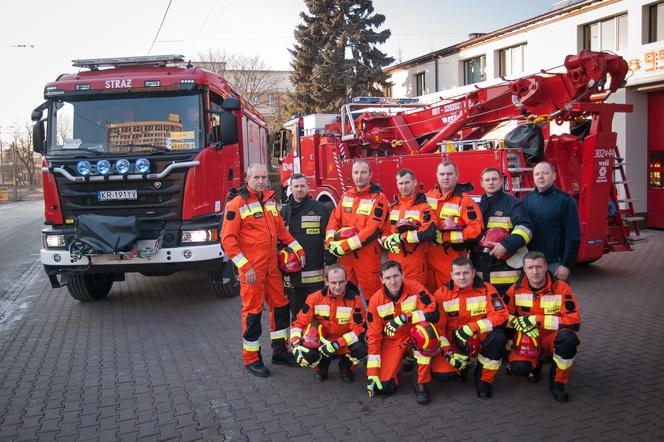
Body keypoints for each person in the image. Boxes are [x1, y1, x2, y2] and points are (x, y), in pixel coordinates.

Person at [221, 163, 306, 377]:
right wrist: (245, 266)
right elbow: (228, 241)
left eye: (264, 177)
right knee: (253, 313)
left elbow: (280, 231)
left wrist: (298, 248)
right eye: (256, 177)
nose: (261, 181)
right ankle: (251, 358)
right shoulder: (237, 203)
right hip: (252, 271)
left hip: (271, 268)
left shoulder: (269, 200)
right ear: (247, 178)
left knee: (280, 307)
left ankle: (280, 351)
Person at [504, 251, 581, 402]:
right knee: (519, 369)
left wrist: (536, 319)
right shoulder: (514, 290)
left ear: (546, 267)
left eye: (539, 267)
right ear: (524, 269)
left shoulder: (562, 288)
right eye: (530, 267)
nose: (535, 271)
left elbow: (574, 321)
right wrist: (517, 323)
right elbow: (502, 317)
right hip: (528, 339)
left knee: (568, 340)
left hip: (552, 338)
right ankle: (534, 365)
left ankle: (558, 383)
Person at [430, 257, 508, 399]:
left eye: (465, 273)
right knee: (443, 375)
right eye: (458, 274)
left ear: (473, 273)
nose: (462, 277)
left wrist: (472, 327)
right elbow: (438, 328)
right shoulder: (441, 294)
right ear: (451, 275)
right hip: (454, 341)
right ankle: (462, 368)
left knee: (498, 338)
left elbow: (501, 314)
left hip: (481, 337)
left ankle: (483, 380)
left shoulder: (487, 289)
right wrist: (447, 352)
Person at [366, 261, 439, 405]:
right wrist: (372, 372)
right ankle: (395, 368)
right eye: (388, 278)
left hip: (415, 335)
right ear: (381, 279)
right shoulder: (375, 301)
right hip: (392, 341)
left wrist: (404, 317)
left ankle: (421, 383)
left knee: (427, 332)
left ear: (402, 275)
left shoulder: (415, 287)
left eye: (396, 276)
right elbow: (374, 336)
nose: (393, 281)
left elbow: (434, 313)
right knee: (384, 388)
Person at [290, 264, 367, 382]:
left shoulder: (354, 300)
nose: (337, 287)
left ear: (346, 281)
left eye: (341, 282)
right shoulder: (314, 298)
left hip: (343, 344)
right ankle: (320, 368)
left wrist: (337, 344)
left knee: (361, 348)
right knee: (306, 353)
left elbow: (358, 330)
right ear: (326, 281)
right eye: (333, 283)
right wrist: (295, 345)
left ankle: (345, 367)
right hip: (321, 345)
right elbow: (299, 324)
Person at [325, 160, 389, 300]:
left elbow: (372, 230)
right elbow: (334, 220)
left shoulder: (378, 199)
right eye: (356, 172)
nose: (359, 176)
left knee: (374, 300)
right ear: (352, 175)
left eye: (363, 172)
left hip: (367, 258)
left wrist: (344, 246)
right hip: (346, 260)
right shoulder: (346, 195)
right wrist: (330, 242)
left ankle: (375, 323)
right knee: (345, 299)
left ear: (370, 174)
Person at [474, 167, 534, 298]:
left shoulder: (513, 204)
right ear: (482, 183)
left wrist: (506, 246)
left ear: (501, 182)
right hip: (482, 273)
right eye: (487, 180)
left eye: (494, 179)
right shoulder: (477, 207)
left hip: (506, 276)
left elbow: (526, 229)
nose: (491, 182)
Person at [280, 173, 333, 319]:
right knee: (297, 318)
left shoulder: (320, 209)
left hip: (314, 277)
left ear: (308, 188)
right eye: (296, 186)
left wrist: (329, 263)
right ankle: (298, 341)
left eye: (302, 186)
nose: (299, 189)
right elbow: (279, 241)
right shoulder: (283, 211)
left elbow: (329, 239)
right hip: (292, 278)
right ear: (290, 188)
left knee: (317, 316)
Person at [425, 161, 484, 292]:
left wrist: (446, 237)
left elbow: (475, 230)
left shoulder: (464, 200)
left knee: (449, 298)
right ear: (437, 176)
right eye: (442, 174)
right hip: (426, 260)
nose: (445, 177)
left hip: (450, 260)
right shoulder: (428, 196)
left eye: (449, 174)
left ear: (457, 176)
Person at [522, 162, 581, 282]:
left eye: (545, 173)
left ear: (554, 176)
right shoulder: (527, 199)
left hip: (554, 264)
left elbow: (573, 236)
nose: (540, 177)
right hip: (531, 264)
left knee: (556, 300)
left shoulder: (565, 200)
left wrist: (566, 265)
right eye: (537, 174)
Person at [380, 169, 436, 285]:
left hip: (415, 264)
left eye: (407, 182)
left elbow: (429, 232)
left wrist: (401, 237)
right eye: (400, 183)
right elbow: (384, 231)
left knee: (414, 300)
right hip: (393, 264)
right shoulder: (393, 208)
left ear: (415, 182)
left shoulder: (423, 208)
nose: (403, 186)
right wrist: (386, 241)